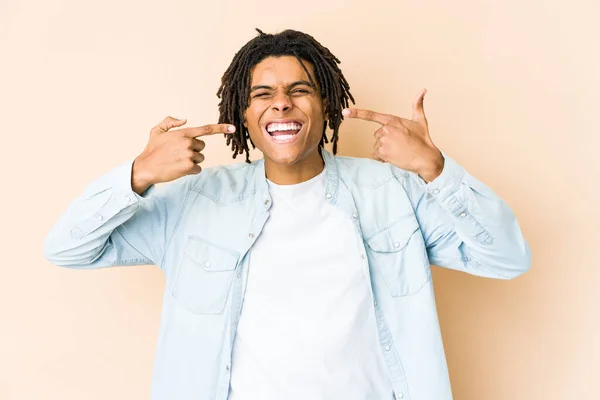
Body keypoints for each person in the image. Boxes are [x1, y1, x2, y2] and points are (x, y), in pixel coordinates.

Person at [44, 29, 531, 400]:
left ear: (326, 106)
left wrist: (435, 169)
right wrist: (138, 174)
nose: (281, 103)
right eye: (262, 94)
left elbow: (508, 258)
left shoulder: (393, 191)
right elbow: (68, 248)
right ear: (244, 111)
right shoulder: (195, 202)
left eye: (300, 90)